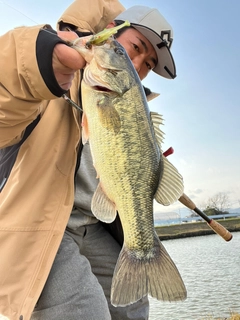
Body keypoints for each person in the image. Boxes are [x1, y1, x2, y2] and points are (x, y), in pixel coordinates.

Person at [0, 0, 176, 319]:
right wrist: (35, 67)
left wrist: (147, 161)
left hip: (94, 223)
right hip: (37, 218)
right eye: (133, 48)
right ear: (109, 34)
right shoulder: (54, 70)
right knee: (84, 310)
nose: (138, 64)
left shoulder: (136, 107)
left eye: (149, 64)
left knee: (132, 308)